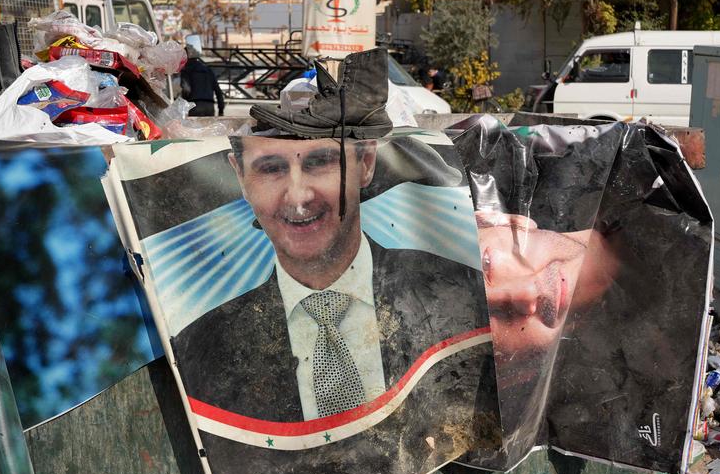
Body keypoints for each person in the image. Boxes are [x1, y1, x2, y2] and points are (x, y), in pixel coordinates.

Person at [170, 132, 489, 423]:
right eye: (270, 168)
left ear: (366, 163)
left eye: (321, 162)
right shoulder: (205, 347)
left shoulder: (462, 292)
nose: (297, 197)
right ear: (239, 175)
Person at [178, 40, 224, 117]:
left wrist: (184, 104)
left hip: (195, 106)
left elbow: (186, 90)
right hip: (209, 107)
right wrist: (221, 110)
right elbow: (218, 91)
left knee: (194, 129)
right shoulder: (208, 70)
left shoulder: (186, 70)